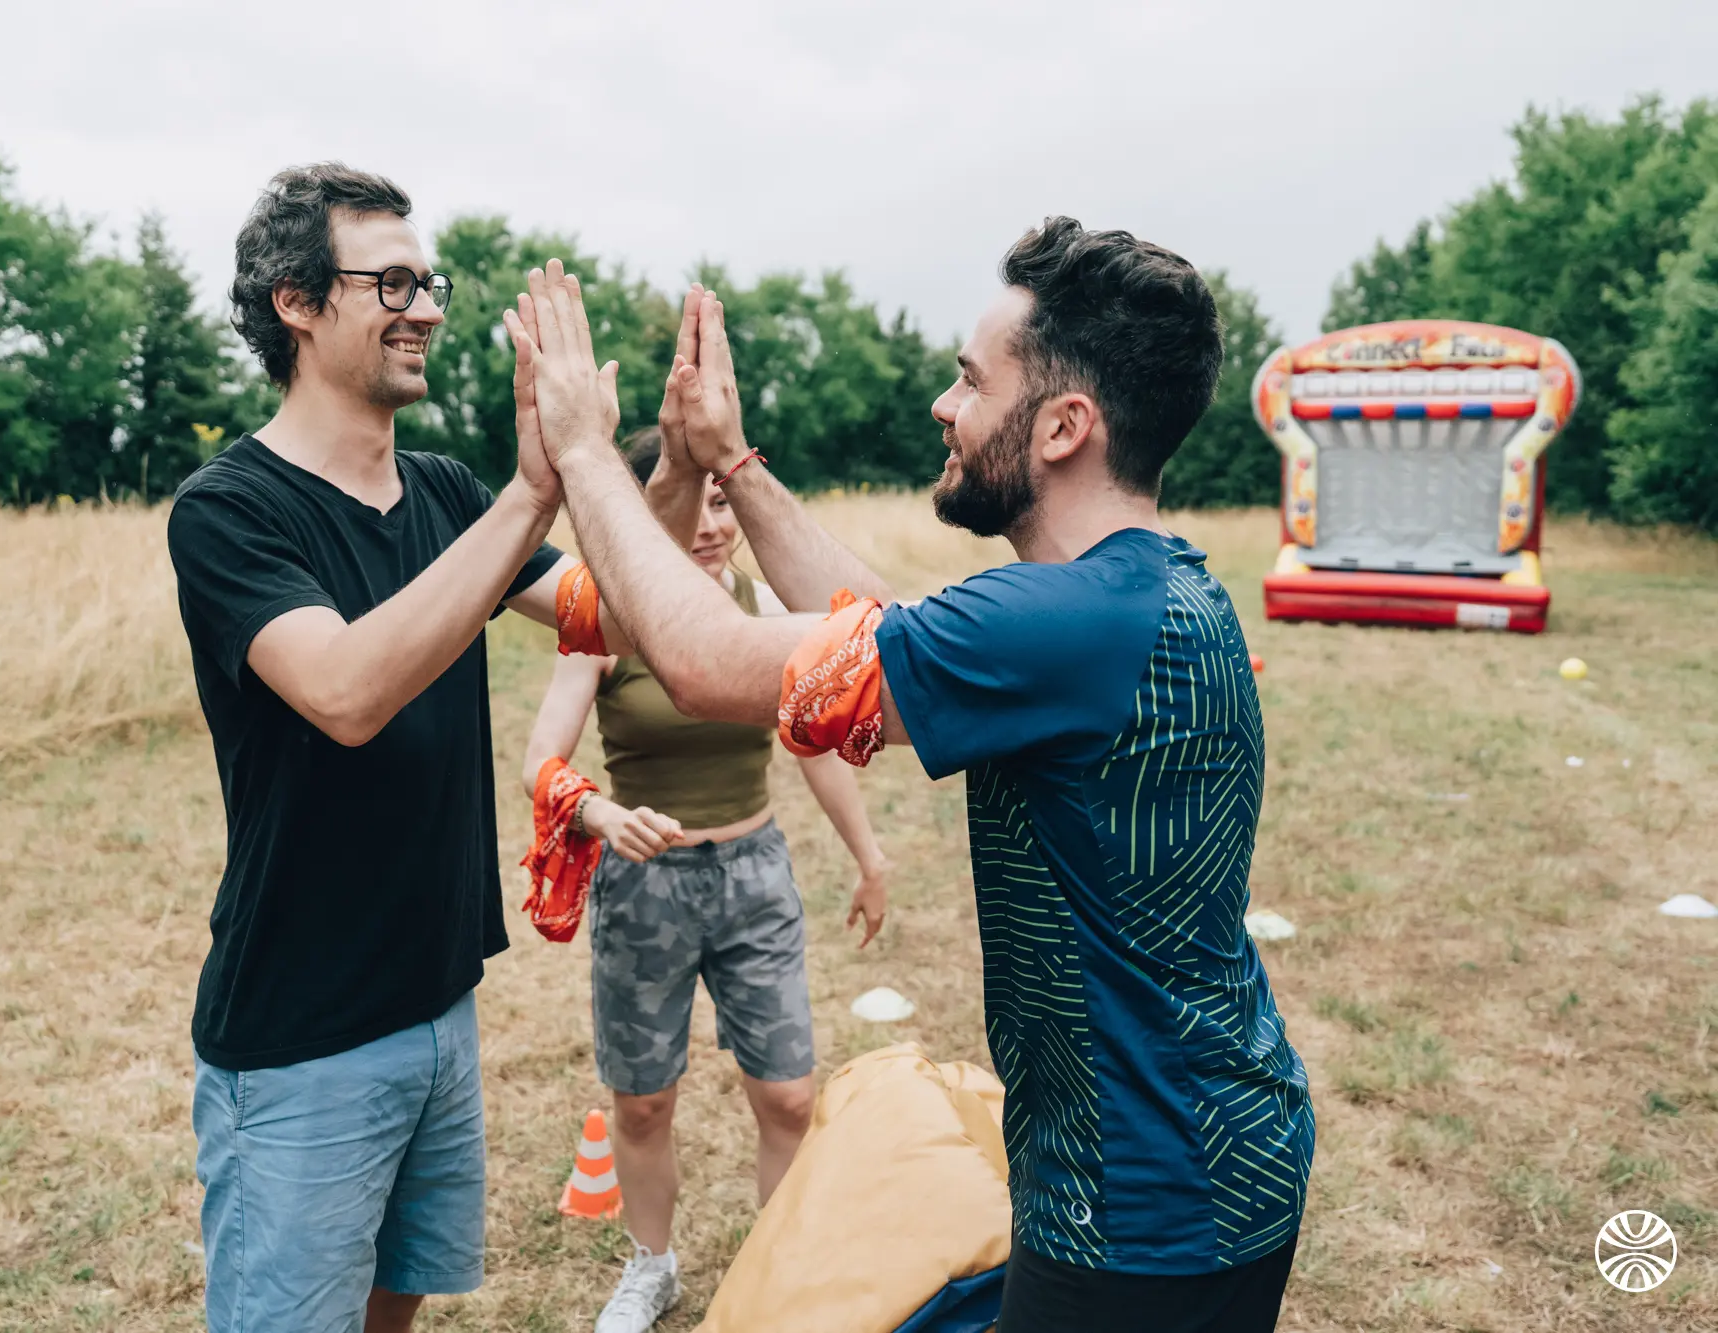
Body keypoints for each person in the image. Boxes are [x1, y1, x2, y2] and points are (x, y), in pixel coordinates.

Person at [504, 220, 1314, 1333]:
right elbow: (875, 630)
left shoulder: (1066, 619)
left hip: (1143, 1195)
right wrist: (730, 467)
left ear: (1063, 426)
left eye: (969, 381)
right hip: (1201, 1145)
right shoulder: (1137, 590)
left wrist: (588, 450)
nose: (943, 403)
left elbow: (698, 661)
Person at [167, 164, 698, 1333]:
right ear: (296, 303)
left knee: (392, 1314)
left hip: (435, 998)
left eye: (429, 281)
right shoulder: (229, 510)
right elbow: (346, 690)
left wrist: (666, 467)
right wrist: (530, 492)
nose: (423, 307)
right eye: (390, 282)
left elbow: (612, 616)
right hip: (301, 1033)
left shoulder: (445, 492)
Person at [521, 427, 890, 1333]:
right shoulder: (606, 618)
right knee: (643, 1102)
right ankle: (653, 1269)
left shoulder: (763, 610)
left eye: (721, 500)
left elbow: (817, 743)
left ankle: (783, 1274)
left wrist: (869, 853)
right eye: (690, 503)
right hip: (644, 886)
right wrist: (600, 814)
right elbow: (541, 759)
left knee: (790, 1096)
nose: (711, 521)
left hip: (753, 875)